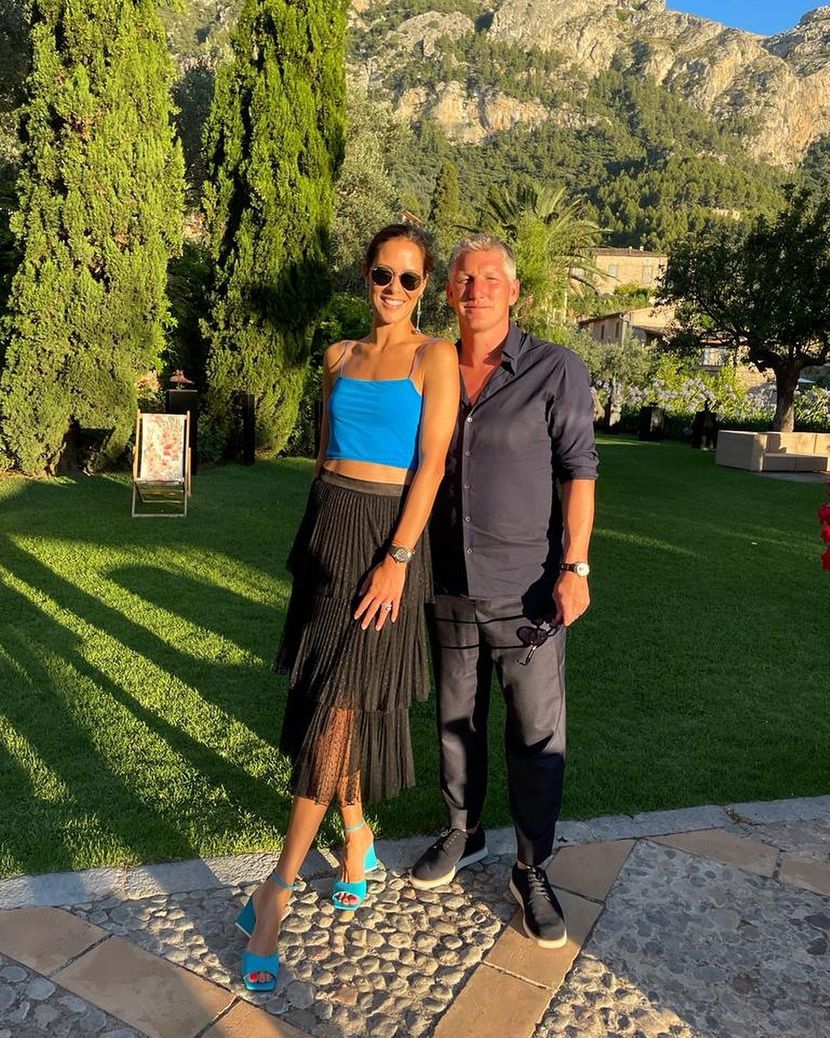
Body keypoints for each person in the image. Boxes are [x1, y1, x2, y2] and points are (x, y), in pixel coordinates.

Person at [238, 225, 459, 991]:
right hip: (329, 534)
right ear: (366, 276)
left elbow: (431, 465)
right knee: (340, 702)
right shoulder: (337, 356)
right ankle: (357, 835)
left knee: (336, 710)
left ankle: (276, 891)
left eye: (408, 278)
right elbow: (324, 456)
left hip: (389, 543)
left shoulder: (435, 358)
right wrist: (315, 544)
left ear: (424, 287)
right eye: (382, 274)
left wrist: (397, 559)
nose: (393, 289)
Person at [410, 234, 598, 949]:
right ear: (448, 291)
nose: (476, 288)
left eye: (491, 278)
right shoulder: (430, 367)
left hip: (528, 594)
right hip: (448, 584)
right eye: (464, 277)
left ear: (515, 291)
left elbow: (579, 472)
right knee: (455, 721)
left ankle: (532, 866)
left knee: (535, 733)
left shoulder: (555, 368)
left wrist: (575, 567)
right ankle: (463, 831)